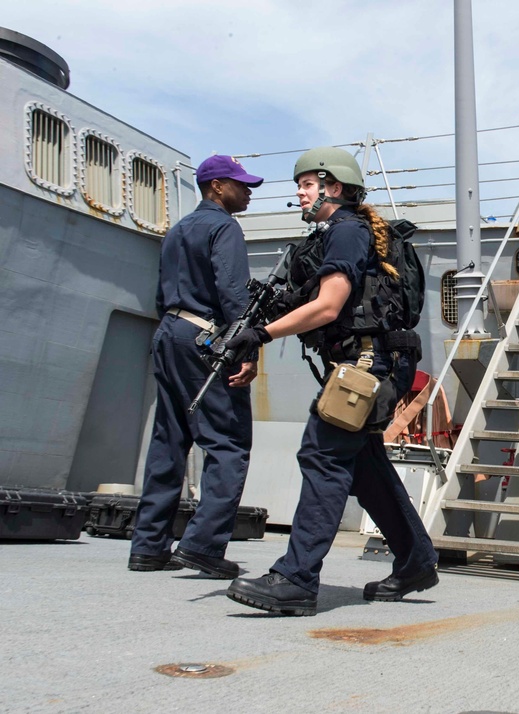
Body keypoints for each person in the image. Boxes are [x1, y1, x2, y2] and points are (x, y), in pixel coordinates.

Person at [224, 147, 438, 616]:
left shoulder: (345, 232)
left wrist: (260, 334)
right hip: (376, 361)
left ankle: (296, 579)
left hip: (367, 364)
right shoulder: (348, 233)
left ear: (332, 187)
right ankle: (417, 560)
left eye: (305, 184)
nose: (298, 194)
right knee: (362, 465)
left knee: (322, 455)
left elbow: (327, 307)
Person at [128, 155, 264, 578]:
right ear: (217, 186)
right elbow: (233, 294)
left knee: (169, 440)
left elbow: (159, 291)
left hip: (169, 332)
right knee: (228, 442)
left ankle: (148, 548)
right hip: (205, 337)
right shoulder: (224, 227)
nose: (249, 192)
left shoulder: (178, 229)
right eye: (242, 185)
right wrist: (247, 352)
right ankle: (203, 546)